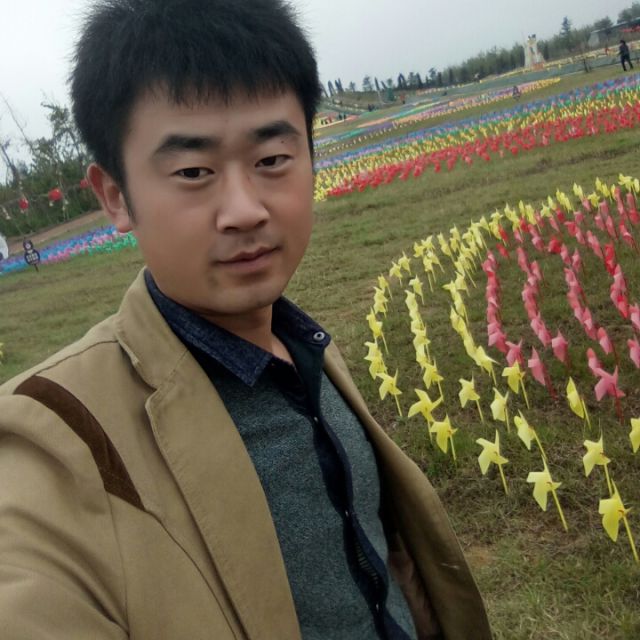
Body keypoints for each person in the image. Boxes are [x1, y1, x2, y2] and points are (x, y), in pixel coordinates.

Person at [0, 1, 491, 638]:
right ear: (116, 196)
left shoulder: (304, 343)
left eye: (272, 159)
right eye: (193, 171)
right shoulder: (53, 435)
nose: (245, 210)